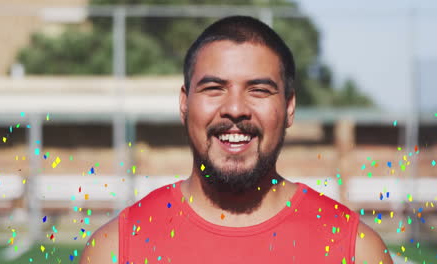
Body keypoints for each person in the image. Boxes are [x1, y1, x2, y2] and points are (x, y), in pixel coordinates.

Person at [80, 15, 393, 264]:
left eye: (258, 90)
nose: (234, 109)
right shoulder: (116, 250)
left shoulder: (355, 250)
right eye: (214, 88)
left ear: (289, 108)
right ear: (184, 105)